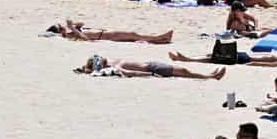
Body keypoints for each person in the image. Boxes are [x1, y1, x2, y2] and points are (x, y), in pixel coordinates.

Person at [74, 56, 224, 80]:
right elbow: (129, 72)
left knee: (183, 71)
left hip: (153, 65)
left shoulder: (114, 62)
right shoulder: (115, 66)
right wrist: (150, 74)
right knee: (183, 72)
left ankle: (209, 75)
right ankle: (209, 76)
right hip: (153, 68)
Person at [46, 20, 172, 43]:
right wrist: (72, 28)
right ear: (59, 32)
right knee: (133, 35)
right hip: (106, 36)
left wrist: (72, 25)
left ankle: (161, 39)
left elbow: (82, 24)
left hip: (106, 33)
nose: (63, 27)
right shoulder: (69, 35)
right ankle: (160, 37)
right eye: (60, 27)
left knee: (134, 36)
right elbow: (85, 39)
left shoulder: (70, 31)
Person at [169, 49, 277, 67]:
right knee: (213, 55)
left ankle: (186, 59)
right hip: (246, 57)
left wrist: (252, 63)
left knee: (214, 58)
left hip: (246, 59)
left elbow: (269, 65)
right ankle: (187, 58)